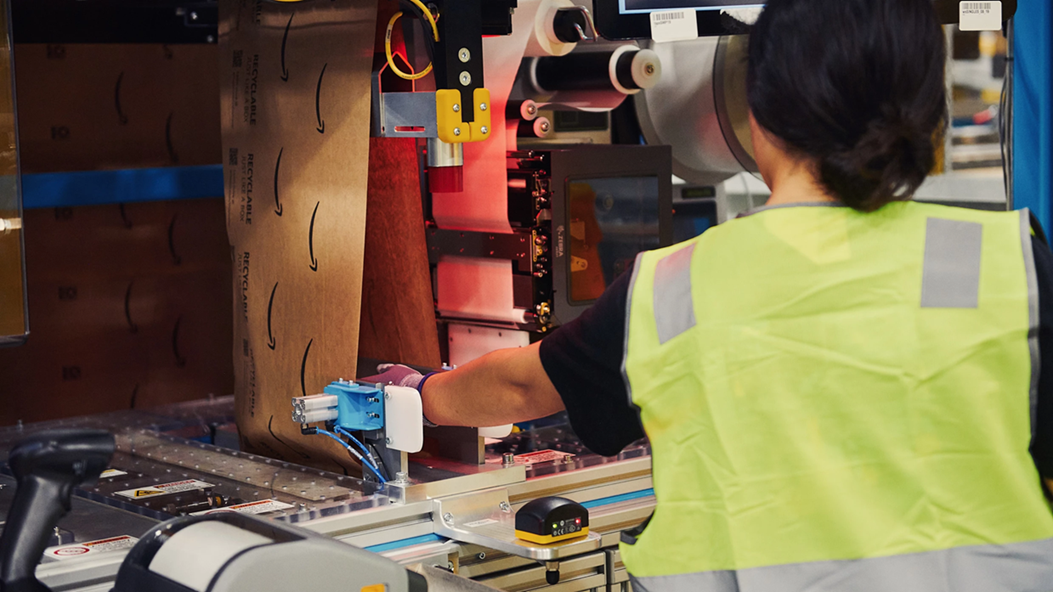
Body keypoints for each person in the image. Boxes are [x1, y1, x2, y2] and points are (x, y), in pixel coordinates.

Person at [367, 0, 1053, 588]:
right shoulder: (1007, 263)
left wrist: (413, 393)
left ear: (758, 108)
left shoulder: (677, 286)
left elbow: (518, 390)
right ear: (928, 109)